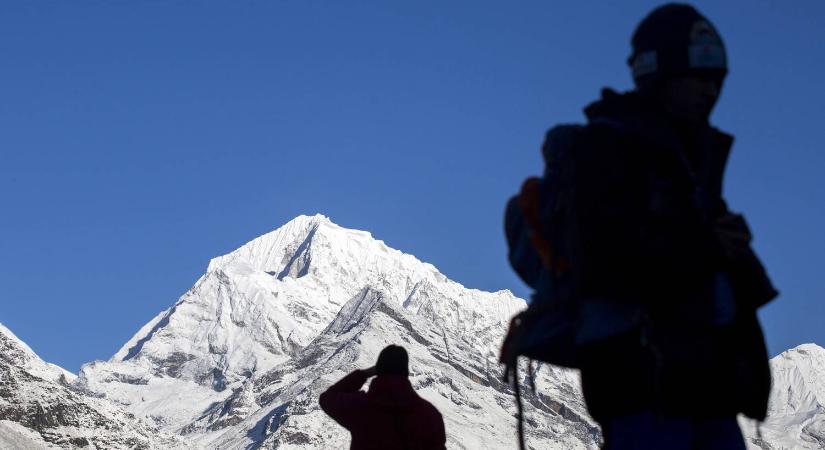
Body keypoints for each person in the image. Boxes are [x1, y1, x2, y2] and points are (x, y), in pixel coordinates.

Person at [504, 3, 777, 449]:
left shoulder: (690, 161)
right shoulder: (609, 149)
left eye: (715, 80)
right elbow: (607, 262)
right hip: (641, 380)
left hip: (701, 383)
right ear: (658, 75)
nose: (709, 91)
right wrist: (709, 247)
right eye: (696, 78)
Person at [319, 345, 447, 450]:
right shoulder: (430, 414)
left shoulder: (360, 406)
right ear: (406, 372)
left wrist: (364, 374)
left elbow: (328, 398)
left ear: (378, 370)